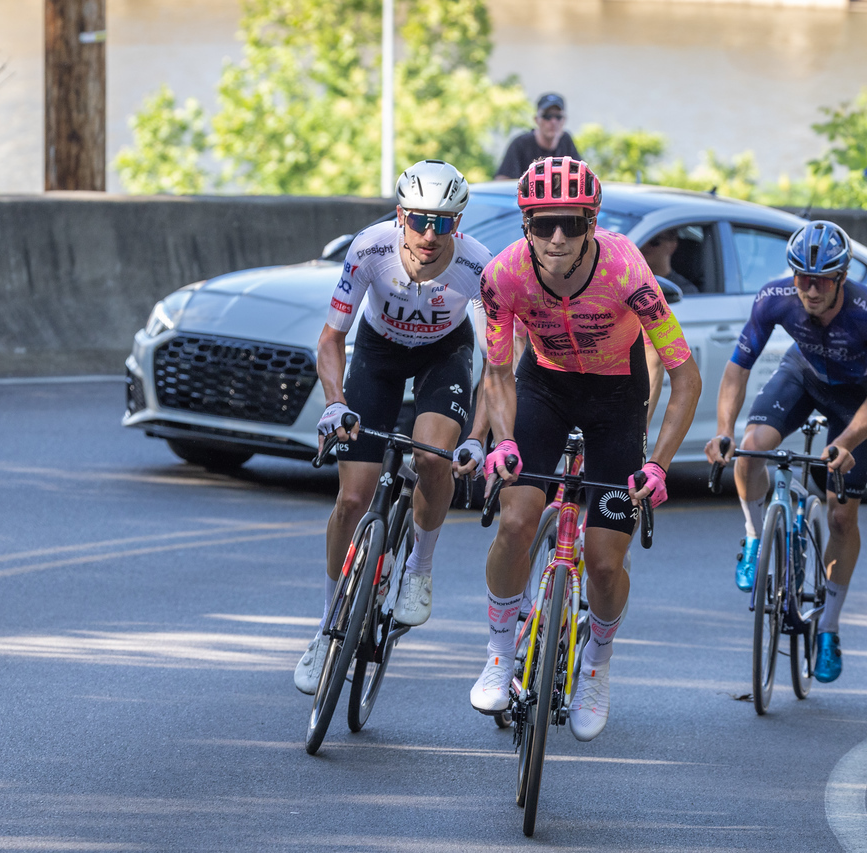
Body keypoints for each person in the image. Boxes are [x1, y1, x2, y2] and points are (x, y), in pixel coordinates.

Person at [470, 156, 702, 741]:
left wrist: (658, 463)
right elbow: (497, 372)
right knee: (516, 521)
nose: (556, 237)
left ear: (591, 222)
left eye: (571, 224)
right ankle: (500, 654)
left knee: (602, 562)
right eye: (543, 222)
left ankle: (596, 664)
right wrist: (501, 443)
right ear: (526, 223)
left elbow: (685, 375)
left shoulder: (626, 268)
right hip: (543, 386)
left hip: (615, 398)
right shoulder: (502, 277)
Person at [293, 159, 493, 695]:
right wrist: (335, 405)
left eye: (445, 222)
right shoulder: (369, 248)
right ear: (401, 214)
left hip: (443, 355)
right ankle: (326, 625)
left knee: (432, 458)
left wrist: (477, 434)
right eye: (420, 220)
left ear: (460, 221)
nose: (430, 235)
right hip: (378, 354)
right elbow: (331, 339)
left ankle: (419, 570)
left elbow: (499, 366)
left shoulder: (478, 267)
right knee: (352, 501)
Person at [704, 221, 867, 684]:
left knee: (840, 516)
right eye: (801, 277)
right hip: (803, 378)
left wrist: (846, 442)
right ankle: (754, 539)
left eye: (821, 279)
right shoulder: (775, 298)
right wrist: (724, 431)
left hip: (856, 400)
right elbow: (736, 371)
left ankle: (827, 627)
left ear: (841, 277)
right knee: (750, 450)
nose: (809, 289)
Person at [494, 93, 581, 181]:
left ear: (564, 120)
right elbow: (502, 181)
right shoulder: (520, 144)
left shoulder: (566, 141)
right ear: (536, 120)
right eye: (547, 116)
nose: (553, 121)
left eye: (558, 117)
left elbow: (581, 176)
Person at [640, 228, 698, 294]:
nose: (645, 245)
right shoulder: (632, 281)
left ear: (672, 246)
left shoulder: (684, 290)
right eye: (644, 240)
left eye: (654, 241)